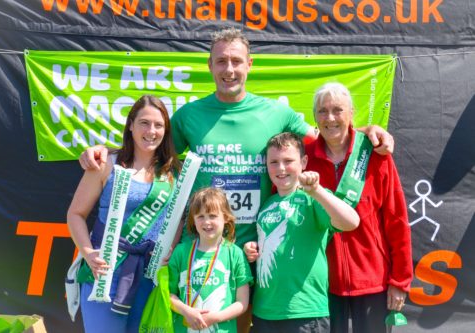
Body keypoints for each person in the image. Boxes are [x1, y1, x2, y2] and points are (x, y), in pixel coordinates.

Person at [79, 27, 394, 332]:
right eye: (221, 61)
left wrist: (366, 131)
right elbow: (149, 145)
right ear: (210, 66)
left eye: (236, 61)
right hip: (201, 249)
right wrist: (104, 151)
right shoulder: (190, 115)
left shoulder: (276, 113)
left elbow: (327, 138)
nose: (229, 69)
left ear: (249, 65)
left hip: (255, 250)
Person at [67, 95, 181, 333]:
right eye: (144, 123)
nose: (151, 131)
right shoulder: (106, 164)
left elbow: (178, 217)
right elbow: (75, 214)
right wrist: (88, 254)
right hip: (106, 274)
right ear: (131, 125)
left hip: (151, 277)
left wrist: (172, 247)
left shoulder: (172, 172)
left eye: (158, 125)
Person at [305, 83, 413, 333]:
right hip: (321, 284)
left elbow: (397, 220)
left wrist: (400, 280)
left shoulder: (375, 154)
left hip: (372, 281)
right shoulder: (303, 157)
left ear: (352, 113)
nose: (330, 118)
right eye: (322, 111)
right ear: (314, 117)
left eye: (337, 110)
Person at [243, 132, 359, 333]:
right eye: (274, 162)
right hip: (264, 312)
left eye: (288, 161)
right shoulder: (267, 204)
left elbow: (351, 222)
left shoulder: (313, 198)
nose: (281, 168)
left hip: (304, 312)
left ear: (304, 162)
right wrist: (252, 249)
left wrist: (317, 191)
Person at [168, 187, 253, 333]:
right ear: (193, 220)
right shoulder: (181, 252)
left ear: (225, 217)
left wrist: (216, 317)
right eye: (200, 216)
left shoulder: (235, 254)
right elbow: (168, 294)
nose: (207, 222)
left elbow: (242, 303)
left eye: (213, 216)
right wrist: (186, 311)